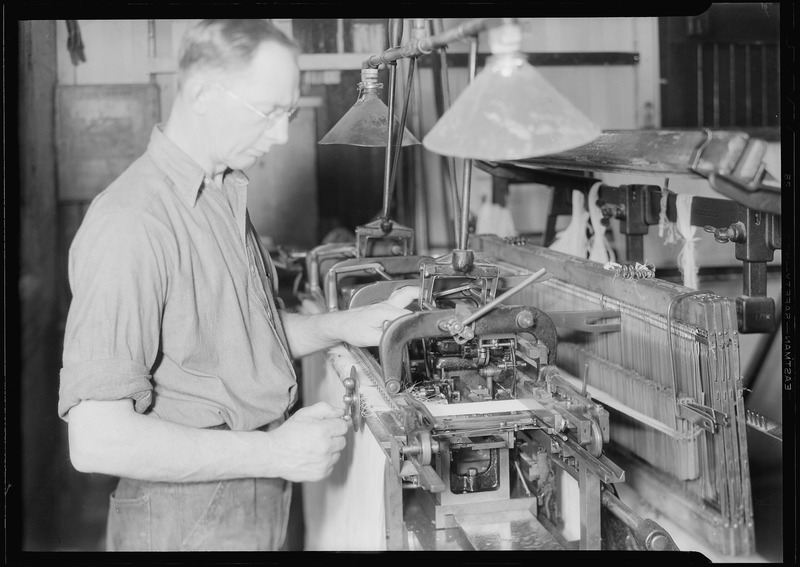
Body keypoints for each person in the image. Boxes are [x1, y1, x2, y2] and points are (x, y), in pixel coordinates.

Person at [57, 19, 418, 552]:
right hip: (183, 508)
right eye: (268, 112)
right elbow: (96, 440)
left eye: (288, 114)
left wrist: (347, 325)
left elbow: (241, 342)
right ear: (202, 93)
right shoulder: (132, 222)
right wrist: (272, 453)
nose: (280, 135)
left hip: (250, 486)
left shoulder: (221, 195)